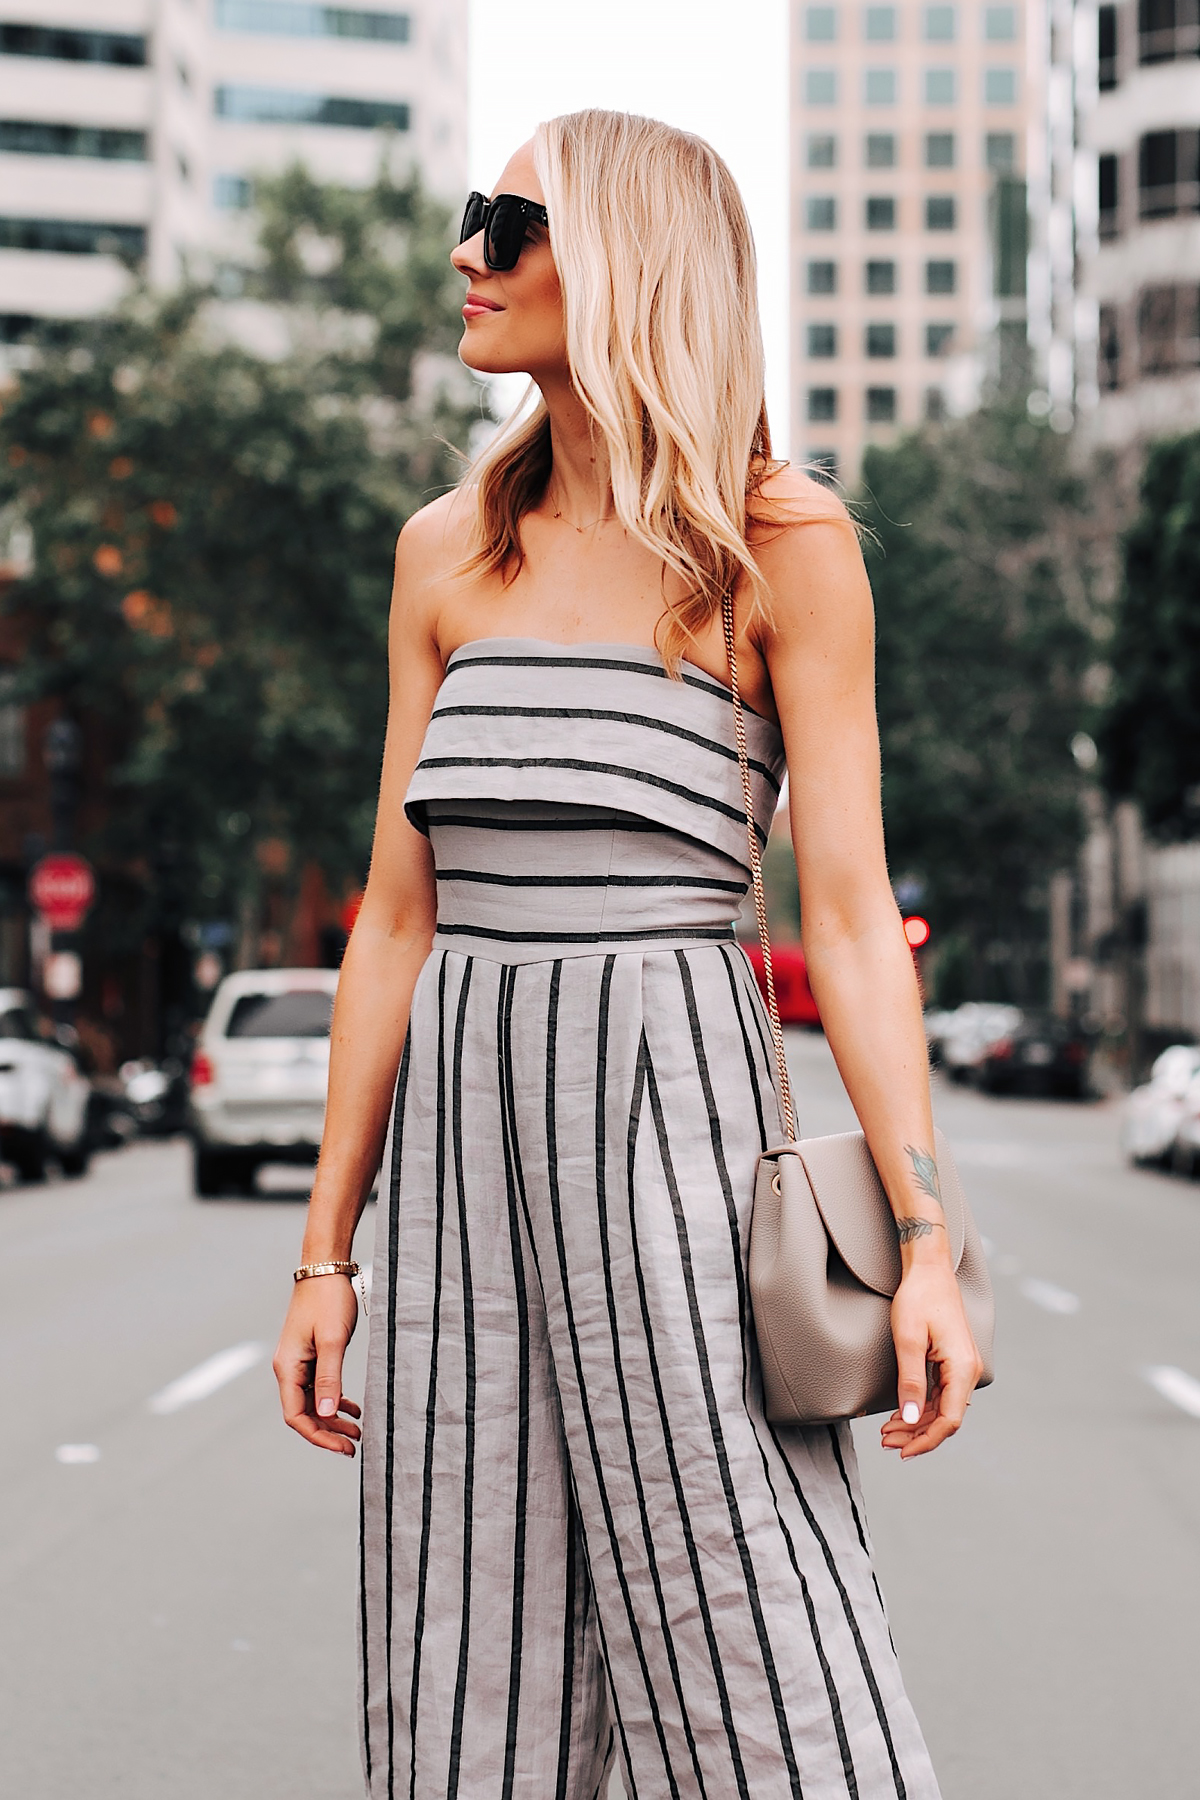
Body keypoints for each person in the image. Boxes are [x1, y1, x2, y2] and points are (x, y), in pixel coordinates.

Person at [274, 108, 982, 1800]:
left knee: (763, 1642)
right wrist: (325, 1253)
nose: (467, 254)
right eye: (474, 219)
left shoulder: (778, 546)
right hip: (461, 1164)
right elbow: (393, 916)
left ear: (621, 260)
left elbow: (852, 922)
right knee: (461, 1674)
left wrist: (930, 1242)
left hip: (675, 1130)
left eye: (504, 224)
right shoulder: (443, 551)